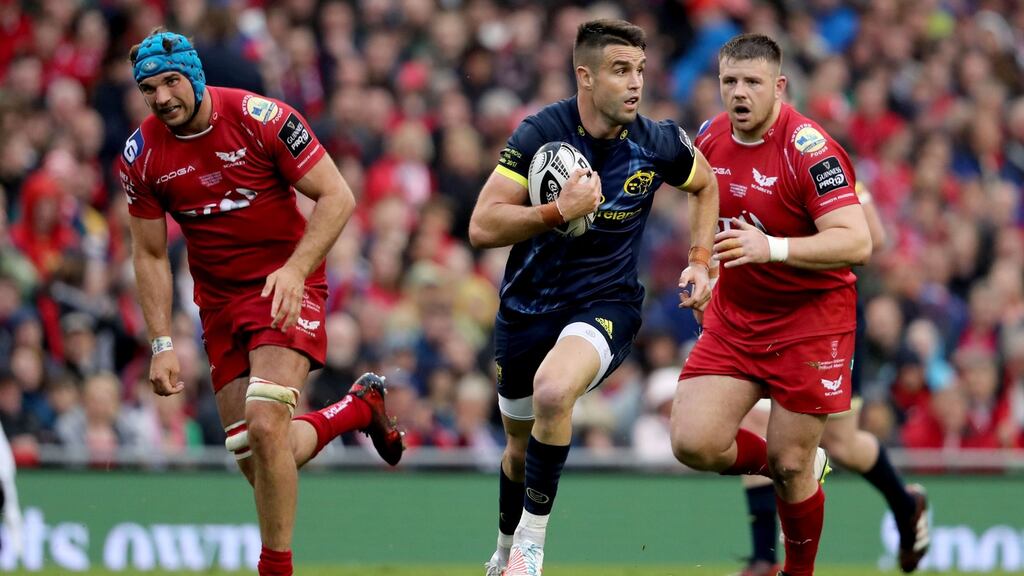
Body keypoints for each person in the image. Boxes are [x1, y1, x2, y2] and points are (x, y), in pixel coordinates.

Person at [120, 30, 404, 576]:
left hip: (283, 284)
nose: (160, 98)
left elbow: (337, 195)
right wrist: (160, 342)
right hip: (219, 303)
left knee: (267, 423)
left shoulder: (262, 118)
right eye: (148, 88)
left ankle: (274, 569)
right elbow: (150, 255)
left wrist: (297, 269)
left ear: (195, 75)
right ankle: (356, 408)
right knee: (260, 457)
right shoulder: (142, 155)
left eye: (170, 81)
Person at [469, 19, 719, 576]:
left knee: (554, 392)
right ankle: (506, 551)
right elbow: (483, 226)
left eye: (640, 71)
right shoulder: (540, 133)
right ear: (585, 76)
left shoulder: (656, 141)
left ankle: (532, 548)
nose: (635, 84)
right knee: (517, 449)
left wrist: (700, 263)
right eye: (620, 71)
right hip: (526, 310)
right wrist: (558, 211)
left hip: (607, 304)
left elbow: (705, 184)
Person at [669, 33, 871, 576]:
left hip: (812, 321)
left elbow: (857, 242)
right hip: (738, 318)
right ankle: (805, 467)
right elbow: (701, 194)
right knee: (692, 442)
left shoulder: (810, 149)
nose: (739, 93)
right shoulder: (710, 136)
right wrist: (702, 263)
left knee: (788, 462)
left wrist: (772, 248)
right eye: (729, 81)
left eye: (752, 82)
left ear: (778, 86)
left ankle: (797, 570)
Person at [734, 182, 930, 576]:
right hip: (768, 315)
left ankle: (906, 506)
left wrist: (790, 247)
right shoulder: (749, 167)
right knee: (755, 420)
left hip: (826, 320)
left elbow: (874, 239)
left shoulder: (822, 165)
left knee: (842, 444)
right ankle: (763, 560)